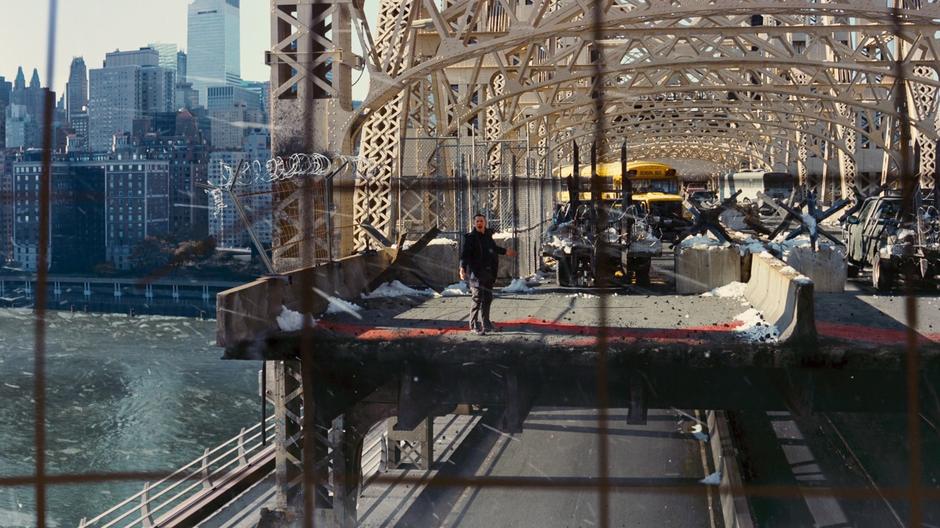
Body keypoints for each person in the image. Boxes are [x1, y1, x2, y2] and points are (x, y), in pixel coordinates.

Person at [459, 214, 516, 335]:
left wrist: (506, 251)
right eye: (477, 221)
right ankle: (473, 325)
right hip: (476, 274)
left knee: (488, 298)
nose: (479, 223)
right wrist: (462, 268)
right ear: (474, 224)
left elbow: (493, 248)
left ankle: (486, 323)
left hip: (488, 273)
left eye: (481, 221)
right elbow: (465, 255)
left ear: (485, 223)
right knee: (477, 297)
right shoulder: (471, 238)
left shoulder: (487, 236)